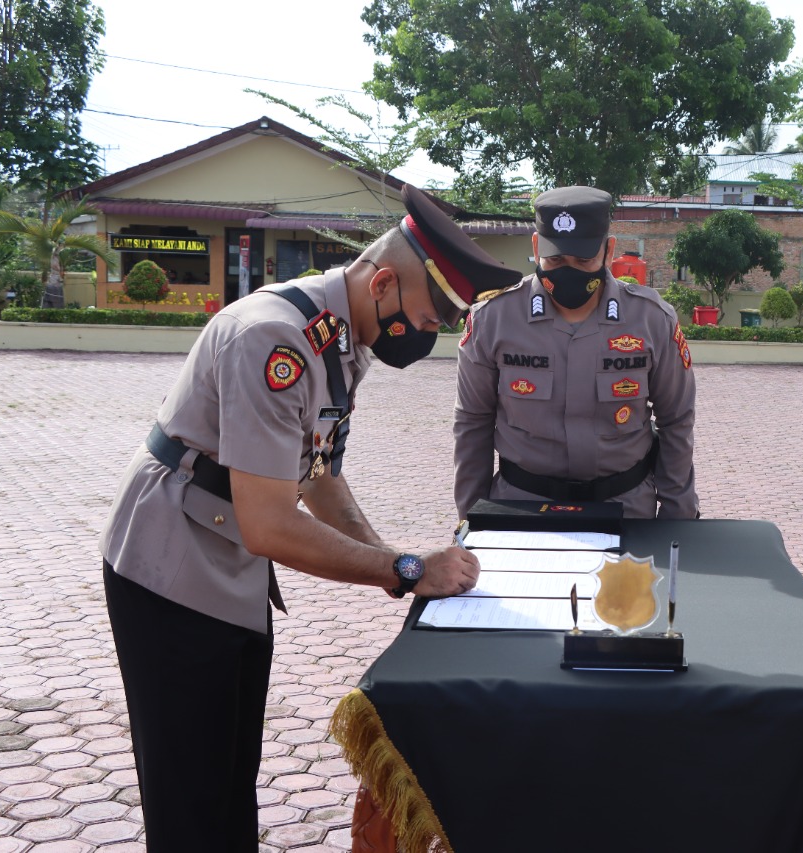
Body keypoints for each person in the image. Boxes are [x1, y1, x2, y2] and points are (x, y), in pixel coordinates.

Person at [100, 184, 522, 853]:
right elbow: (269, 523)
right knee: (190, 792)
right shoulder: (274, 341)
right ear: (383, 281)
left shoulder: (341, 336)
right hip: (170, 566)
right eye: (430, 311)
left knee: (231, 777)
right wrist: (406, 569)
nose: (432, 332)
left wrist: (397, 570)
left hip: (227, 562)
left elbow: (319, 475)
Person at [453, 186, 698, 519]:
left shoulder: (651, 320)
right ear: (536, 246)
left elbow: (676, 420)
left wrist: (677, 517)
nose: (569, 271)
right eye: (555, 259)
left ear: (608, 250)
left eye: (584, 260)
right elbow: (473, 421)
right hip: (521, 509)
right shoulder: (493, 320)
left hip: (625, 509)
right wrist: (471, 515)